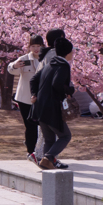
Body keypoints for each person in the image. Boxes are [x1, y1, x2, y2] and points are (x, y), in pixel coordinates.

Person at [29, 37, 76, 170]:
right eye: (72, 51)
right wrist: (69, 90)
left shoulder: (50, 64)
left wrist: (34, 94)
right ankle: (48, 158)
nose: (73, 54)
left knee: (49, 139)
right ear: (68, 52)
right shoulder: (63, 65)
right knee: (65, 136)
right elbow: (57, 84)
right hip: (52, 107)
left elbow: (33, 79)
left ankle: (47, 165)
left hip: (40, 107)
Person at [7, 35, 45, 164]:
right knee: (30, 126)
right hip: (25, 98)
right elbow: (11, 70)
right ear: (29, 47)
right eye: (33, 46)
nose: (35, 49)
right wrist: (15, 66)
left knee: (42, 126)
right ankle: (30, 152)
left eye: (38, 46)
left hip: (41, 98)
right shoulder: (24, 59)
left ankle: (40, 151)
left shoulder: (46, 59)